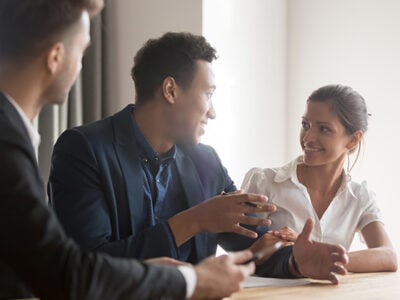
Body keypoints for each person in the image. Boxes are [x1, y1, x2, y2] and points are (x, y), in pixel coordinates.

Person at [0, 1, 257, 299]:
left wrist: (288, 257)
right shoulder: (52, 145)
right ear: (55, 56)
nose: (81, 66)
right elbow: (69, 271)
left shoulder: (205, 158)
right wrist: (188, 279)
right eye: (81, 52)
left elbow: (49, 265)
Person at [49, 32, 348, 283]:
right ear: (170, 90)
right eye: (208, 94)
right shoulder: (83, 149)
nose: (213, 111)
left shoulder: (207, 161)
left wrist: (296, 262)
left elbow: (253, 248)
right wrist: (193, 221)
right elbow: (87, 266)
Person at [242, 84, 398, 273]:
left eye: (324, 129)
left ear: (353, 139)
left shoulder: (360, 196)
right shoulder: (263, 182)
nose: (308, 137)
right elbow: (241, 257)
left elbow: (388, 256)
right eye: (305, 125)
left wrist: (316, 256)